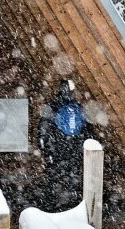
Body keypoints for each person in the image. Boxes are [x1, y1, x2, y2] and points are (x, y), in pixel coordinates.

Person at [37, 79, 94, 211]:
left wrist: (46, 150)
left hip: (57, 150)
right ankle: (73, 207)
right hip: (74, 149)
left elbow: (43, 130)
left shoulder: (53, 106)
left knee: (52, 178)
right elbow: (88, 132)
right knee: (72, 178)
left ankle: (50, 206)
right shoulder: (79, 107)